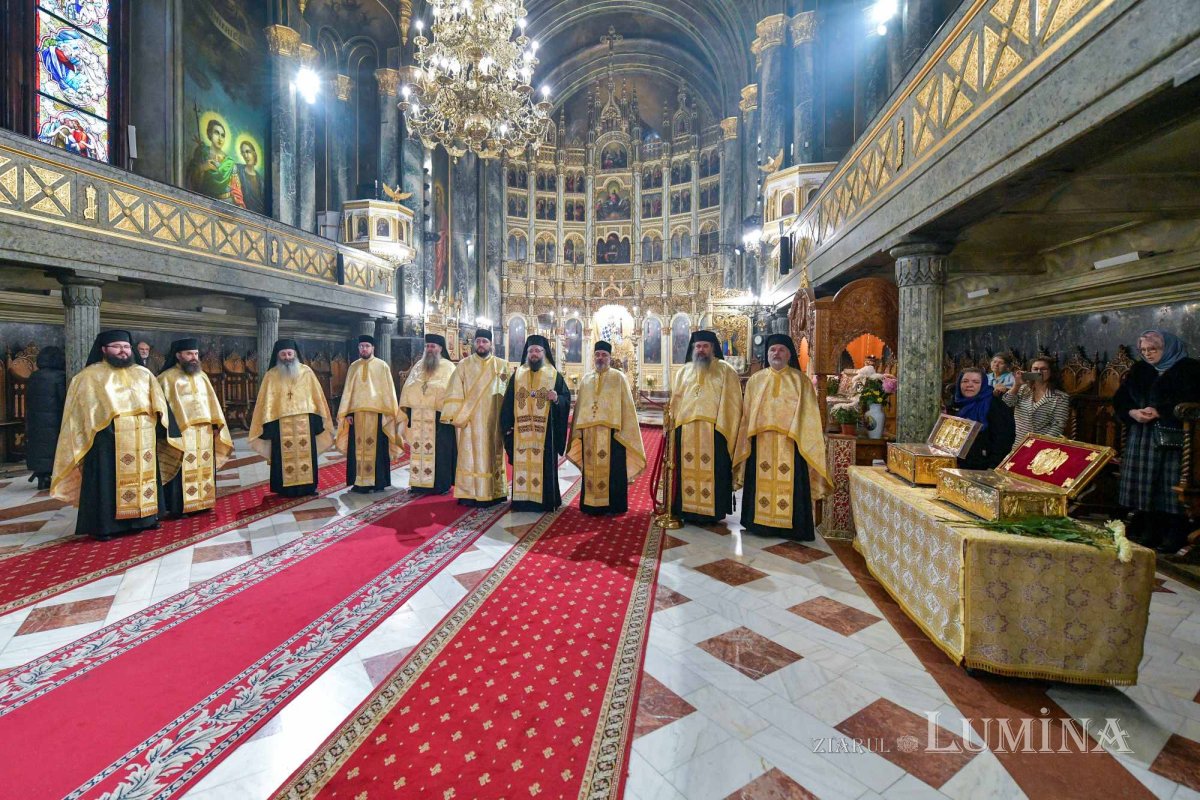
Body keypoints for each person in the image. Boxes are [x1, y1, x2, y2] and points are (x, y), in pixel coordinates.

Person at [50, 330, 182, 541]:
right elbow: (79, 414)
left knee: (145, 479)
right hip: (107, 442)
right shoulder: (88, 377)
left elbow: (159, 404)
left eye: (126, 346)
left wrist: (161, 425)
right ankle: (106, 526)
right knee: (107, 483)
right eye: (117, 346)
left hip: (143, 439)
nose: (123, 351)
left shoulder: (144, 374)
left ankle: (145, 519)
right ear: (104, 349)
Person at [733, 334, 829, 538]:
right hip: (761, 442)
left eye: (781, 350)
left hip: (791, 442)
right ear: (767, 354)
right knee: (759, 483)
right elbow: (747, 415)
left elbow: (809, 415)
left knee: (792, 483)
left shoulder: (801, 381)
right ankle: (758, 524)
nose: (776, 353)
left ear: (789, 354)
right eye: (772, 350)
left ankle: (793, 528)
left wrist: (797, 433)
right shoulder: (755, 380)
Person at [1113, 330, 1200, 553]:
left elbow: (1194, 402)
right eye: (1143, 350)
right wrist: (1132, 412)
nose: (1148, 354)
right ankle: (1149, 529)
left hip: (1175, 435)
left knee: (1167, 486)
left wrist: (1162, 411)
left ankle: (1174, 533)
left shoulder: (1190, 369)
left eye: (1153, 349)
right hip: (1142, 434)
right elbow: (1121, 399)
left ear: (1168, 347)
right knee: (1144, 485)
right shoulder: (1140, 369)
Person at [669, 330, 742, 523]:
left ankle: (713, 511)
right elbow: (676, 401)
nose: (701, 350)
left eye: (705, 346)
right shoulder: (684, 371)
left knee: (715, 471)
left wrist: (726, 429)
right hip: (686, 430)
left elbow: (733, 403)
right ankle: (686, 509)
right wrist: (672, 426)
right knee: (685, 471)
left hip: (715, 432)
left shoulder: (726, 370)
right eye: (698, 346)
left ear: (713, 348)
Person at [567, 341, 645, 515]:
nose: (600, 358)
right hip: (589, 434)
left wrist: (624, 430)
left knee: (614, 471)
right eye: (597, 355)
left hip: (613, 435)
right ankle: (590, 505)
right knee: (591, 470)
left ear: (610, 357)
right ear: (593, 357)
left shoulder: (619, 378)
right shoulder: (586, 379)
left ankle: (614, 506)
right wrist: (578, 431)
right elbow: (580, 407)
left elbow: (627, 407)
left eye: (604, 355)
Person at [248, 339, 335, 497]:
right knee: (282, 456)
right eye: (283, 354)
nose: (287, 357)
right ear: (278, 355)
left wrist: (317, 419)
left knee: (306, 454)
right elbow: (265, 402)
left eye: (289, 353)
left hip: (305, 422)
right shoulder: (271, 375)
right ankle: (284, 489)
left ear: (295, 354)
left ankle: (308, 487)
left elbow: (316, 397)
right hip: (280, 424)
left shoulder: (306, 372)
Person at [157, 338, 234, 515]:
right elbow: (164, 408)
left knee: (204, 467)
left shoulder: (202, 376)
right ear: (178, 355)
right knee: (182, 468)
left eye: (196, 354)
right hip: (182, 432)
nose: (194, 357)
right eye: (189, 354)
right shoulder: (166, 378)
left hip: (204, 431)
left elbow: (212, 402)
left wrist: (216, 424)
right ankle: (180, 506)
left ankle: (203, 502)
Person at [501, 336, 571, 511]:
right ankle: (522, 501)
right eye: (531, 351)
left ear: (544, 353)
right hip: (521, 431)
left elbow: (565, 398)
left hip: (545, 434)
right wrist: (507, 426)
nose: (534, 354)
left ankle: (546, 501)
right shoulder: (518, 375)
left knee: (544, 467)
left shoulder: (553, 375)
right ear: (527, 353)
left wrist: (557, 399)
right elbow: (508, 401)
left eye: (537, 351)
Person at [442, 329, 509, 507]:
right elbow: (455, 390)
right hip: (469, 422)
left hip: (493, 422)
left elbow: (508, 395)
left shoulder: (502, 365)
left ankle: (495, 492)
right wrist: (457, 415)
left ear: (491, 344)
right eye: (478, 341)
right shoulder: (464, 365)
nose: (481, 345)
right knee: (469, 457)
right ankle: (469, 493)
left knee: (491, 455)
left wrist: (508, 420)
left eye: (484, 341)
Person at [335, 335, 404, 493]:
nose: (364, 349)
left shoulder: (382, 366)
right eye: (361, 346)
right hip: (357, 416)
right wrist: (348, 413)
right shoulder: (353, 367)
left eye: (367, 346)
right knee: (357, 448)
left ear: (373, 348)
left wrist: (388, 413)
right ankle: (359, 482)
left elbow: (388, 392)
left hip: (378, 415)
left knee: (378, 448)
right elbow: (349, 392)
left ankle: (378, 481)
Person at [399, 334, 458, 494]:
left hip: (440, 418)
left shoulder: (449, 367)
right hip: (419, 415)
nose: (429, 349)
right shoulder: (419, 365)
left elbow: (452, 390)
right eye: (427, 346)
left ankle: (440, 484)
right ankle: (418, 484)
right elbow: (410, 386)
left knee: (440, 452)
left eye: (433, 346)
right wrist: (409, 407)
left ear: (440, 348)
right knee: (418, 449)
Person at [946, 367, 1016, 470]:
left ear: (983, 384)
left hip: (983, 466)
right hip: (956, 463)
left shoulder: (994, 405)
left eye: (975, 382)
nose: (969, 385)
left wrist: (992, 466)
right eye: (965, 381)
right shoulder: (955, 403)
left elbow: (1004, 439)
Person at [1001, 356, 1071, 443]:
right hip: (1019, 442)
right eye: (1035, 369)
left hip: (1043, 444)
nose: (1039, 372)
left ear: (1051, 372)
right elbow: (1008, 403)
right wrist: (1017, 385)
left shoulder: (1060, 397)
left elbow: (1058, 426)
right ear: (1030, 371)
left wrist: (1039, 443)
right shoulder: (1023, 389)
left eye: (1043, 369)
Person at [25, 346, 67, 491]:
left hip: (36, 419)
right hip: (54, 418)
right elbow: (64, 399)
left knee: (41, 446)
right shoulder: (60, 377)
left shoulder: (34, 376)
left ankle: (42, 476)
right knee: (53, 447)